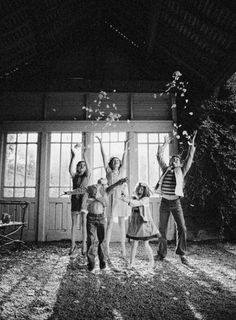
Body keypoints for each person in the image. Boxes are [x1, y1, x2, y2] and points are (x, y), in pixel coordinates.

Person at [155, 131, 197, 265]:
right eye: (172, 159)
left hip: (175, 203)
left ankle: (182, 254)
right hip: (164, 203)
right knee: (162, 229)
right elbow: (158, 156)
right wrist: (165, 144)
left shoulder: (182, 170)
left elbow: (190, 157)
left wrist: (192, 143)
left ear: (180, 163)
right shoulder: (166, 169)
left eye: (177, 159)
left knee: (182, 228)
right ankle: (161, 254)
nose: (174, 160)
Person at [96, 136, 130, 257]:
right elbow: (104, 157)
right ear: (111, 163)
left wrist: (125, 145)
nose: (116, 162)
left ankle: (123, 248)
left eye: (118, 161)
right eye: (114, 161)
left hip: (121, 198)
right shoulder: (108, 172)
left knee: (122, 224)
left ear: (120, 163)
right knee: (109, 223)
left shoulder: (123, 171)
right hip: (111, 198)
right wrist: (101, 143)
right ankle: (107, 248)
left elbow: (125, 157)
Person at [85, 177, 128, 271]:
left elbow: (106, 201)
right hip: (91, 217)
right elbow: (82, 191)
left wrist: (119, 182)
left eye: (104, 184)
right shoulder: (92, 189)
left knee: (102, 240)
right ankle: (91, 263)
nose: (102, 185)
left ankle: (102, 263)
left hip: (101, 218)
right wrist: (69, 193)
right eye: (100, 183)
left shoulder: (106, 192)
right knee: (91, 240)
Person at [121, 182, 160, 268]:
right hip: (136, 221)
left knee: (146, 244)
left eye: (142, 189)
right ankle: (131, 263)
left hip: (144, 223)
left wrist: (127, 200)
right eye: (139, 189)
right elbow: (130, 201)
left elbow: (136, 203)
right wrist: (124, 189)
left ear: (145, 191)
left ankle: (152, 262)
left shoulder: (146, 199)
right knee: (134, 243)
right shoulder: (135, 197)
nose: (140, 190)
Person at [68, 144, 90, 257]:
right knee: (74, 224)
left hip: (84, 201)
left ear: (86, 168)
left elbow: (88, 167)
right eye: (80, 165)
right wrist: (73, 156)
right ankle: (73, 246)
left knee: (84, 224)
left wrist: (85, 154)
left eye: (84, 165)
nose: (82, 166)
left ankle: (84, 247)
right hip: (75, 200)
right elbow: (70, 169)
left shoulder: (87, 176)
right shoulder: (74, 176)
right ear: (77, 167)